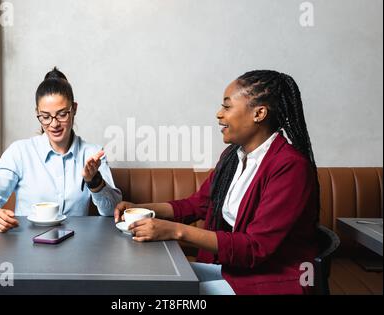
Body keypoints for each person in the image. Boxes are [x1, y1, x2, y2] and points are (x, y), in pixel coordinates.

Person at [114, 70, 319, 295]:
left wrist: (175, 231)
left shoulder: (290, 166)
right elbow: (197, 204)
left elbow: (255, 248)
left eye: (227, 106)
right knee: (146, 279)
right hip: (234, 270)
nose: (219, 114)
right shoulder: (233, 156)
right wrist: (142, 209)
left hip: (271, 280)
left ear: (259, 113)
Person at [0, 67, 122, 232]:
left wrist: (94, 181)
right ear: (37, 113)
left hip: (78, 248)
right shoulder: (20, 152)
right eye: (45, 116)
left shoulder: (92, 154)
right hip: (27, 247)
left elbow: (112, 211)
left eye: (62, 114)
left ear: (74, 109)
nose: (54, 124)